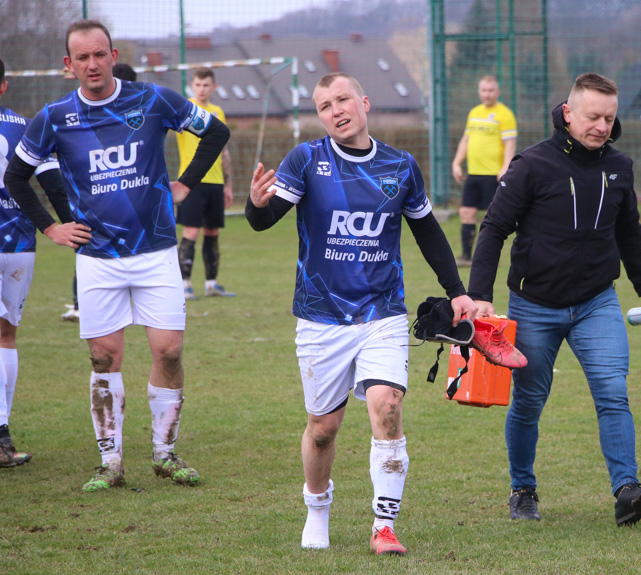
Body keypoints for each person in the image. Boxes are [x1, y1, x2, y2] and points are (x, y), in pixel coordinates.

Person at [246, 72, 477, 554]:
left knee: (387, 407)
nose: (336, 110)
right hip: (319, 318)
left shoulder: (400, 165)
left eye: (343, 99)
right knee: (323, 430)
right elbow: (267, 219)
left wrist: (455, 291)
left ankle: (384, 527)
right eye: (325, 105)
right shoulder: (307, 160)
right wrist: (254, 205)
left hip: (382, 312)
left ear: (365, 102)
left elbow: (427, 231)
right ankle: (316, 508)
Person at [4, 19, 230, 490]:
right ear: (69, 65)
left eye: (100, 54)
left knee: (169, 350)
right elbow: (16, 177)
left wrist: (186, 182)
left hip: (156, 251)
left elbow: (215, 133)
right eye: (82, 57)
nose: (92, 64)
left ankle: (165, 454)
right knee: (103, 358)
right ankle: (111, 465)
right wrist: (50, 226)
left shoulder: (152, 99)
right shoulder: (54, 116)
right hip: (98, 257)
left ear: (112, 55)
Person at [467, 73, 641, 526]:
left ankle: (627, 490)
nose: (601, 126)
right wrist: (479, 295)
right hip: (534, 305)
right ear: (569, 113)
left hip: (597, 301)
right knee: (530, 401)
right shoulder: (531, 164)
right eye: (593, 116)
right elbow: (494, 228)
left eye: (609, 118)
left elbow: (629, 232)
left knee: (613, 391)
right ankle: (523, 489)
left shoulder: (620, 167)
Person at [0, 58, 73, 467]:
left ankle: (0, 436)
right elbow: (53, 184)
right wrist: (71, 225)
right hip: (19, 244)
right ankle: (3, 435)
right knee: (5, 337)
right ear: (4, 86)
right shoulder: (26, 126)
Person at [60, 61, 138, 323]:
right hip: (117, 211)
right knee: (91, 249)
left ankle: (82, 304)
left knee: (89, 248)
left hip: (103, 209)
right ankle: (85, 303)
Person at [176, 67, 235, 300]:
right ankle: (184, 284)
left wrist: (227, 184)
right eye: (198, 85)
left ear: (214, 87)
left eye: (206, 85)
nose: (202, 89)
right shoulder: (184, 109)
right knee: (191, 231)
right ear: (192, 86)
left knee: (212, 232)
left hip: (216, 183)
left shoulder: (218, 111)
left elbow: (224, 150)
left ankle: (211, 284)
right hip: (191, 183)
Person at [451, 75, 517, 266]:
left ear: (498, 92)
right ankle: (465, 256)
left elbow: (510, 143)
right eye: (483, 90)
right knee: (466, 213)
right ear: (479, 92)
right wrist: (457, 162)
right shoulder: (474, 112)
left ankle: (487, 257)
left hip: (493, 174)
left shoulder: (504, 114)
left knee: (492, 218)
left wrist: (505, 167)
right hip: (473, 173)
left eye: (490, 90)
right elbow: (466, 140)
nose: (487, 94)